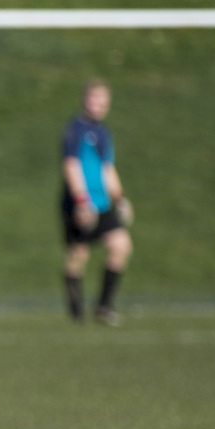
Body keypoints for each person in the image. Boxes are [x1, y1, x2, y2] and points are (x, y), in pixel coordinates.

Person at [60, 79, 133, 326]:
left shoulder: (103, 132)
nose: (99, 105)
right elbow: (71, 165)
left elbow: (107, 168)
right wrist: (81, 201)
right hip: (80, 203)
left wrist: (120, 198)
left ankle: (104, 307)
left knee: (121, 245)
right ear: (84, 100)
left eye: (103, 100)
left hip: (102, 204)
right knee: (78, 255)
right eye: (94, 99)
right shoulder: (75, 129)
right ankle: (76, 311)